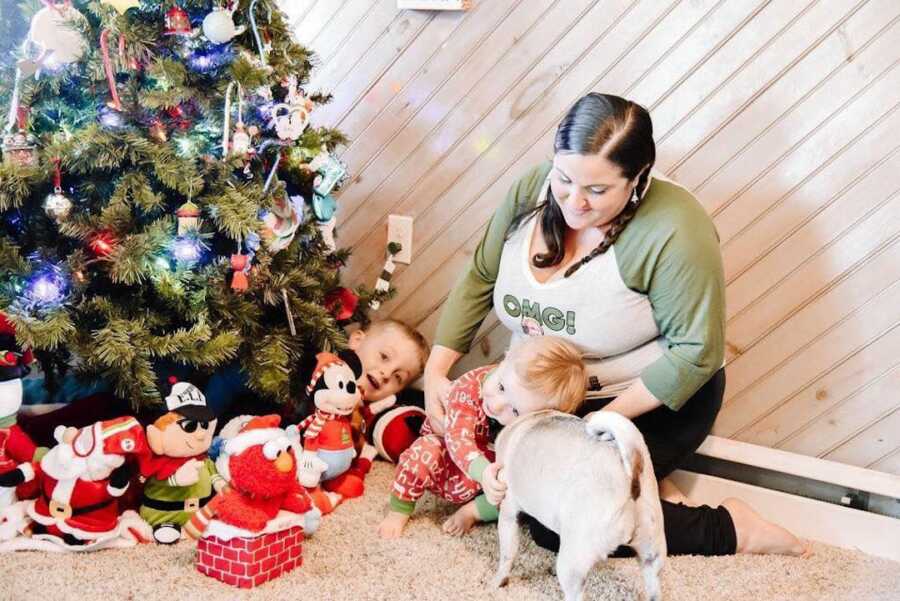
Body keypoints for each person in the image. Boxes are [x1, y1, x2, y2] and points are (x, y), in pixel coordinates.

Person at [423, 93, 806, 557]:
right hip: (547, 395)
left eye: (598, 191)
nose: (574, 202)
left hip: (650, 402)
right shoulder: (532, 190)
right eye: (564, 179)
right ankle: (649, 486)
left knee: (555, 523)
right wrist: (435, 372)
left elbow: (696, 352)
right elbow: (482, 274)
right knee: (481, 463)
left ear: (637, 180)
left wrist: (598, 428)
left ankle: (730, 529)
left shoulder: (676, 227)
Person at [378, 335, 586, 539]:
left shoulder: (532, 426)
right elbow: (459, 440)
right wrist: (484, 472)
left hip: (488, 480)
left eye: (514, 411)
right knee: (423, 452)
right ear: (505, 358)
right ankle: (400, 509)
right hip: (448, 459)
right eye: (502, 387)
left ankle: (472, 512)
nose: (496, 405)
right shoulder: (467, 388)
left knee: (523, 492)